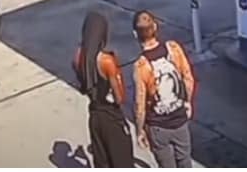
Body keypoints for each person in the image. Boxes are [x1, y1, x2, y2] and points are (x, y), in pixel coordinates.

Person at [133, 10, 195, 168]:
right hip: (179, 120)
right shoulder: (173, 48)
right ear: (155, 27)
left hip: (158, 127)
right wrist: (187, 102)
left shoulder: (141, 66)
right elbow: (188, 78)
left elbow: (140, 105)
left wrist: (140, 130)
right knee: (185, 161)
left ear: (135, 34)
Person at [73, 11, 134, 168]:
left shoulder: (78, 56)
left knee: (102, 162)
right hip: (111, 117)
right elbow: (119, 97)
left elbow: (84, 85)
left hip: (94, 114)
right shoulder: (107, 61)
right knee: (123, 161)